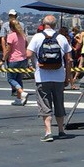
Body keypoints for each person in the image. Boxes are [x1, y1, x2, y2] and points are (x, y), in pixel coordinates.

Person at [26, 13, 71, 141]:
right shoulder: (62, 38)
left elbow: (28, 54)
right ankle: (61, 130)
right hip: (59, 76)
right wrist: (67, 77)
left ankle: (48, 132)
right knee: (59, 103)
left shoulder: (37, 37)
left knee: (45, 104)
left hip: (42, 76)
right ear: (55, 25)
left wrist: (34, 60)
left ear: (43, 24)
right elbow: (68, 59)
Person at [2, 16, 30, 105]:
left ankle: (21, 92)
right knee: (19, 79)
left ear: (10, 27)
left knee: (10, 79)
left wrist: (3, 59)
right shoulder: (23, 36)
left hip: (14, 60)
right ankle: (19, 99)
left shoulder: (11, 36)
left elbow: (8, 49)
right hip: (23, 59)